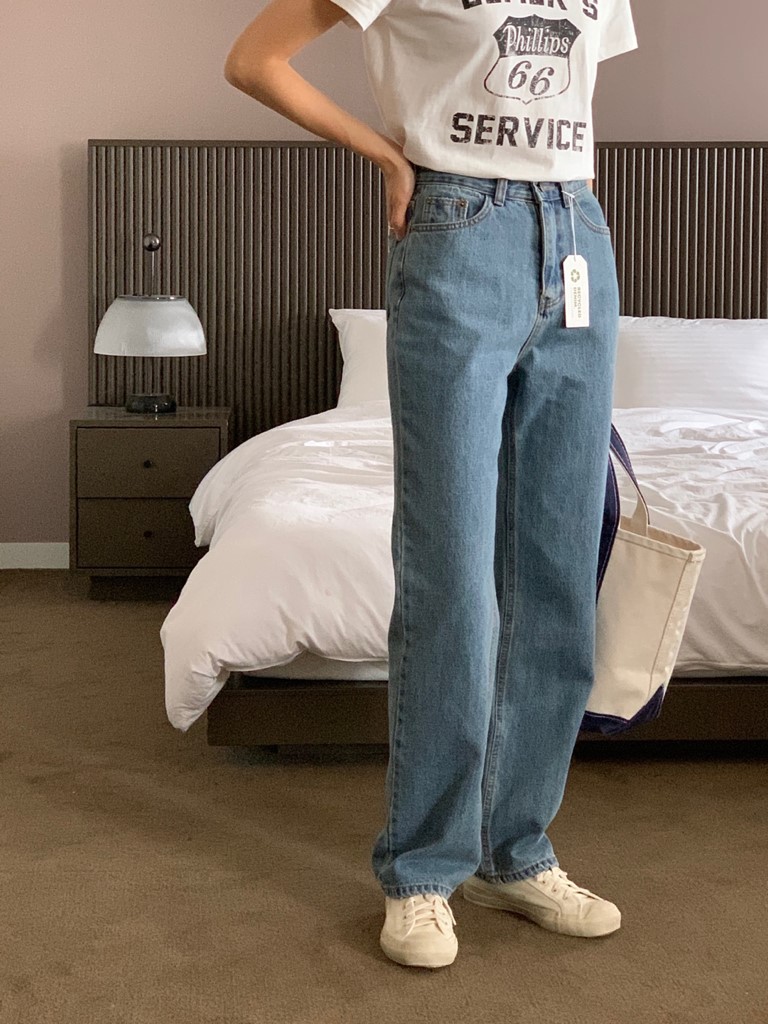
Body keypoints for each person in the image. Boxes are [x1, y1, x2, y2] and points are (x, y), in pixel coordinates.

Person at [224, 0, 638, 970]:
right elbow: (254, 60)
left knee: (557, 569)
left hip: (577, 233)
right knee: (450, 571)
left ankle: (515, 849)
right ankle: (420, 869)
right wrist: (386, 153)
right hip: (457, 228)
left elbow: (571, 102)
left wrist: (568, 203)